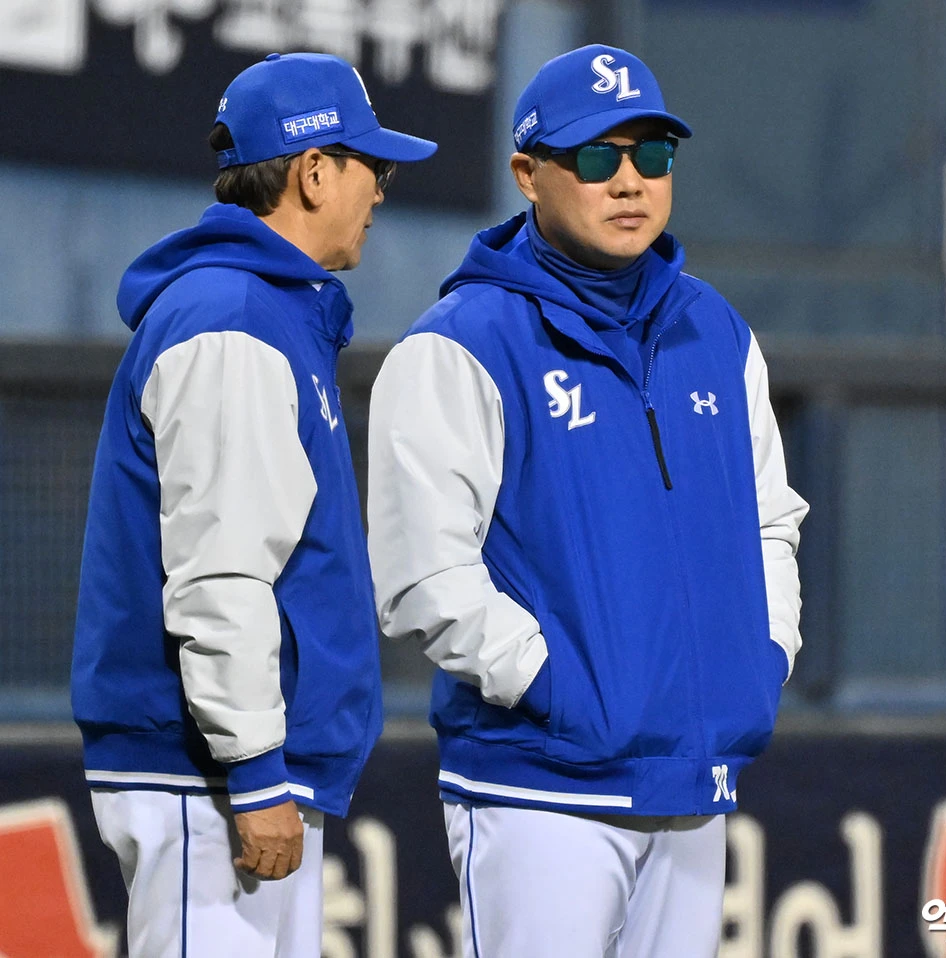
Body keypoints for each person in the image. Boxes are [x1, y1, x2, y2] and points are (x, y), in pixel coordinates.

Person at [368, 43, 808, 958]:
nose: (630, 181)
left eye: (653, 154)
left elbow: (771, 522)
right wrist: (563, 691)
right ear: (528, 174)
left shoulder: (716, 331)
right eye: (598, 155)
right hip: (543, 786)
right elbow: (423, 576)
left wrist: (760, 660)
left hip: (692, 782)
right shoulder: (463, 341)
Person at [71, 52, 435, 957]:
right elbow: (222, 572)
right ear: (314, 171)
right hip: (208, 775)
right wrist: (255, 767)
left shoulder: (265, 311)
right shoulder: (232, 319)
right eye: (372, 166)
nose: (380, 191)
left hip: (232, 770)